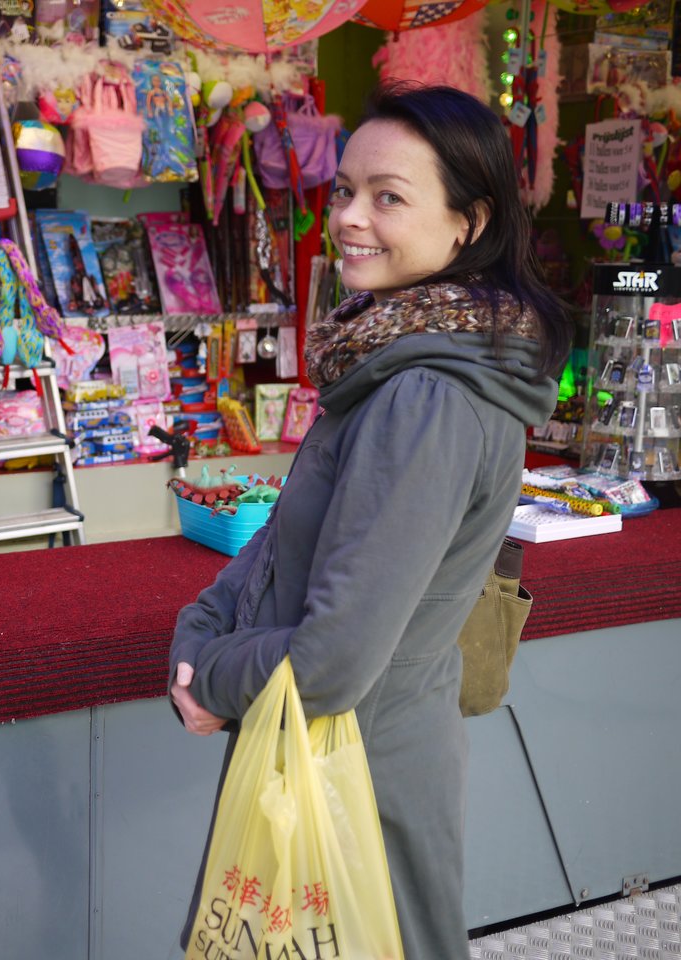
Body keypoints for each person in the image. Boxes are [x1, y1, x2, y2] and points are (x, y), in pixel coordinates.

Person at [168, 81, 572, 960]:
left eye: (389, 197)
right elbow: (287, 544)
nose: (350, 217)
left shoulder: (426, 392)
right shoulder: (397, 356)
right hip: (345, 751)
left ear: (469, 222)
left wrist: (209, 674)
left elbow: (335, 662)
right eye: (345, 190)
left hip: (358, 766)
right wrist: (198, 627)